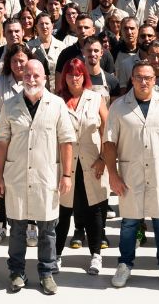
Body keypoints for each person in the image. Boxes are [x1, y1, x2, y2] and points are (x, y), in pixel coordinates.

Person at [0, 57, 76, 296]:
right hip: (16, 176)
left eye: (36, 75)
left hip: (46, 176)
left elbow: (66, 141)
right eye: (27, 75)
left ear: (45, 78)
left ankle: (46, 272)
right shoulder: (9, 104)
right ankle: (17, 272)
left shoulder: (57, 104)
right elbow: (1, 143)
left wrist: (67, 175)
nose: (31, 79)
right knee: (17, 228)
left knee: (48, 229)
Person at [104, 61, 159, 289]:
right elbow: (109, 144)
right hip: (130, 175)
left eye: (148, 77)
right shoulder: (119, 107)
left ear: (154, 80)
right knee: (129, 223)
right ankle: (125, 264)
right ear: (132, 79)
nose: (143, 81)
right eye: (139, 77)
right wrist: (113, 175)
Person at [55, 58, 108, 276]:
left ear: (84, 75)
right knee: (63, 211)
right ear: (64, 77)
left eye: (78, 74)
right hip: (65, 165)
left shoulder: (96, 98)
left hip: (91, 162)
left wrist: (104, 158)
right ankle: (56, 254)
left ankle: (96, 254)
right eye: (70, 73)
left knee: (93, 210)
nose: (74, 78)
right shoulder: (56, 100)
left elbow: (108, 130)